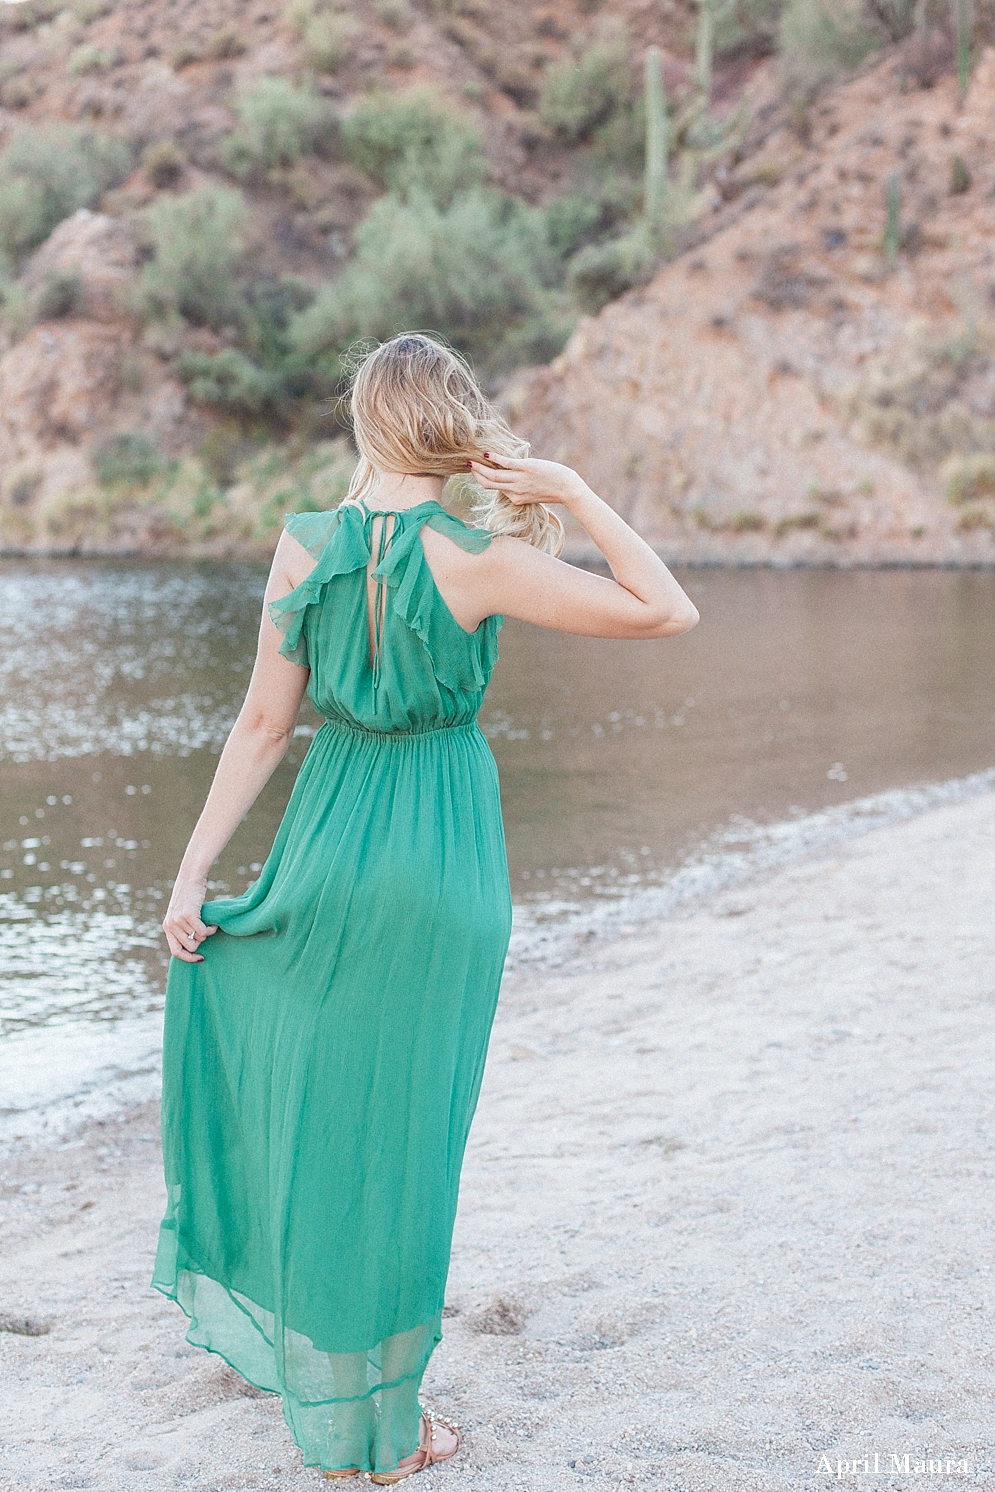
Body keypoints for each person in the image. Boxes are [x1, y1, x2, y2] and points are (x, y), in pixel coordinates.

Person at [154, 333, 698, 1484]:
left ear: (364, 424)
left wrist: (193, 874)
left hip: (329, 849)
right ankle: (381, 1430)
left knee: (321, 1116)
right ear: (451, 424)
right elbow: (664, 611)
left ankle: (336, 1382)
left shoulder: (303, 550)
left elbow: (260, 729)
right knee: (405, 1144)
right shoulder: (478, 560)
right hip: (444, 864)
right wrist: (574, 491)